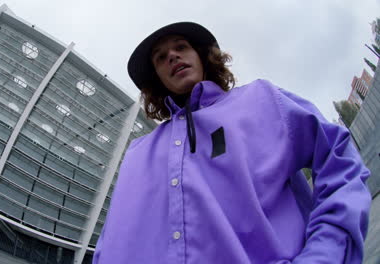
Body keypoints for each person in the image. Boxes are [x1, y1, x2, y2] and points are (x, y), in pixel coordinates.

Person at [92, 22, 371, 263]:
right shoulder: (136, 153)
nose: (172, 56)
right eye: (160, 57)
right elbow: (108, 244)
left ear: (202, 56)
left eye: (181, 46)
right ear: (157, 77)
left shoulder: (262, 100)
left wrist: (326, 253)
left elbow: (339, 160)